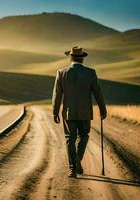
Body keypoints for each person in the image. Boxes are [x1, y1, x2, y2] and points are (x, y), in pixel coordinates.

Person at [52, 46, 107, 178]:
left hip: (68, 113)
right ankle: (78, 158)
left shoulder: (61, 72)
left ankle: (72, 169)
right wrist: (102, 109)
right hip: (85, 112)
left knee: (69, 138)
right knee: (84, 136)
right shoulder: (91, 73)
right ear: (82, 59)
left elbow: (57, 94)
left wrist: (55, 112)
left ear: (70, 57)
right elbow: (98, 93)